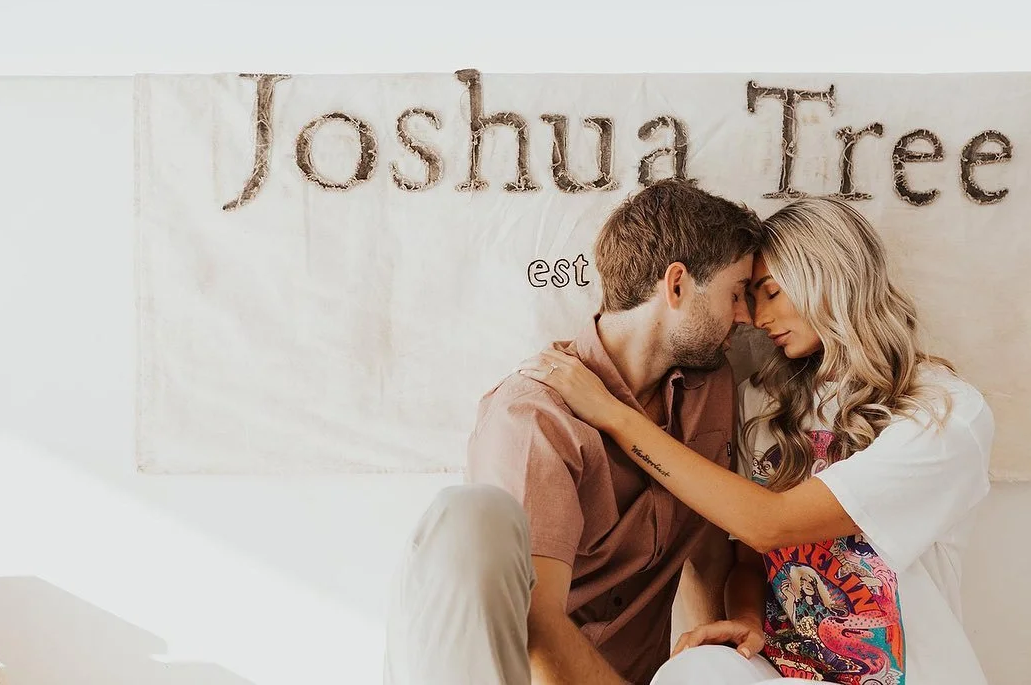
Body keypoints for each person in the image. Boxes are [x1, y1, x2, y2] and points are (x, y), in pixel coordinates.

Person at [521, 197, 993, 685]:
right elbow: (749, 554)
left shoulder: (944, 413)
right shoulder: (761, 401)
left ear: (825, 278)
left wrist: (614, 415)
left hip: (903, 674)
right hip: (782, 673)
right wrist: (745, 619)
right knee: (692, 671)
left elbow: (770, 525)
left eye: (767, 291)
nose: (753, 316)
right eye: (743, 294)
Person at [383, 178, 764, 685]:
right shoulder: (535, 417)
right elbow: (535, 634)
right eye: (736, 294)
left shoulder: (710, 385)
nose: (748, 317)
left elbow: (706, 555)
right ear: (677, 285)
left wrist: (701, 667)